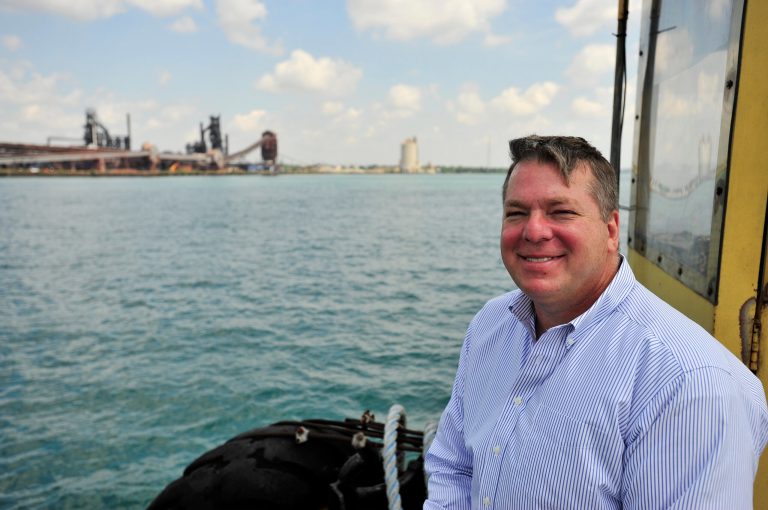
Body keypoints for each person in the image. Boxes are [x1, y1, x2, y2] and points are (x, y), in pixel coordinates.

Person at [424, 135, 768, 509]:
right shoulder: (490, 326)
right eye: (516, 212)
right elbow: (453, 467)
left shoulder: (689, 383)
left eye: (561, 212)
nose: (533, 231)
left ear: (610, 229)